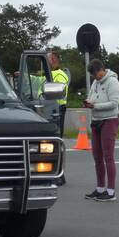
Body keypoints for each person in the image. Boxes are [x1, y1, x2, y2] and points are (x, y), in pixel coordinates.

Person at [83, 58, 119, 202]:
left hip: (109, 120)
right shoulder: (95, 82)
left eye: (95, 74)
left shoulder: (113, 82)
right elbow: (92, 96)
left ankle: (110, 192)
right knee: (97, 157)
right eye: (92, 75)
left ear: (101, 70)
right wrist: (89, 102)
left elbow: (113, 103)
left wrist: (95, 106)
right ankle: (99, 189)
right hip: (96, 121)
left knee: (108, 156)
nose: (95, 77)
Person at [47, 49, 70, 186]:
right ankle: (54, 173)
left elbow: (58, 92)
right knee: (50, 145)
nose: (46, 61)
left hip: (57, 110)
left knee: (56, 144)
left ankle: (59, 175)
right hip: (49, 110)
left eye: (48, 58)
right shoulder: (49, 74)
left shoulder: (59, 75)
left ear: (54, 60)